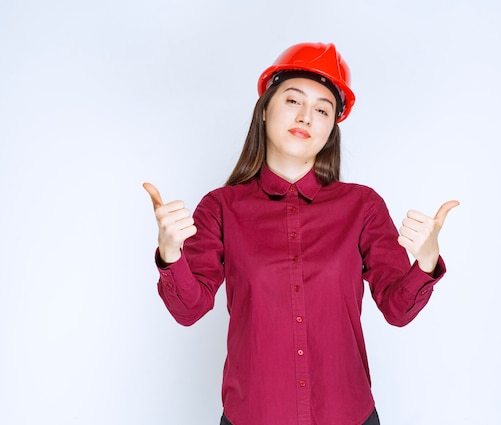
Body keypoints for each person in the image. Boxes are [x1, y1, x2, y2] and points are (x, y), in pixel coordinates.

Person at [144, 42, 458, 425]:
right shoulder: (221, 208)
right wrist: (170, 255)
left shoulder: (362, 207)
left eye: (322, 110)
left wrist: (425, 261)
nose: (306, 116)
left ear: (331, 129)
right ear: (264, 111)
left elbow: (397, 310)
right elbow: (189, 310)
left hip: (348, 415)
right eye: (294, 101)